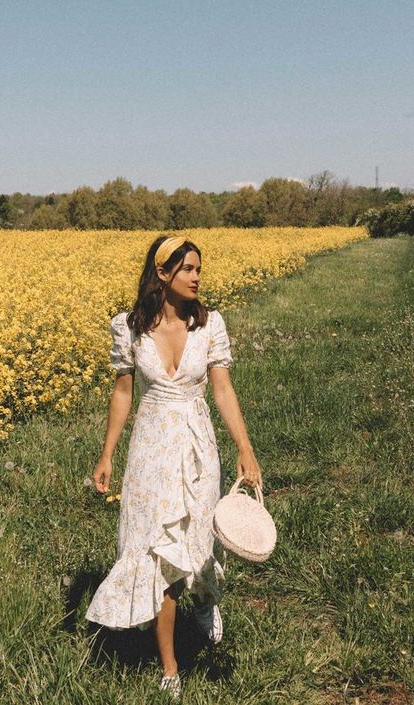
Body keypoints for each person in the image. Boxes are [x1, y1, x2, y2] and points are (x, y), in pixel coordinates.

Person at [85, 235, 263, 699]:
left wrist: (245, 447)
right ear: (162, 274)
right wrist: (107, 454)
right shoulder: (129, 328)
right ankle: (169, 667)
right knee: (156, 551)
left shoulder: (210, 325)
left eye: (198, 269)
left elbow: (223, 389)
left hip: (198, 447)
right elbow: (123, 393)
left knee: (200, 540)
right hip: (150, 451)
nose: (196, 277)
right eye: (187, 269)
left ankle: (203, 603)